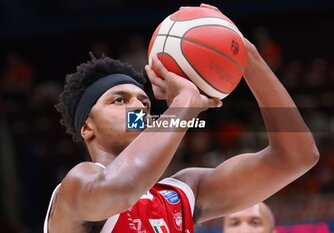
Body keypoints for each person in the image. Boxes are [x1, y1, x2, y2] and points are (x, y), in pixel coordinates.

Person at [43, 4, 319, 233]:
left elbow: (298, 156)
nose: (139, 108)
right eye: (119, 100)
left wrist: (245, 53)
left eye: (144, 101)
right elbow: (122, 188)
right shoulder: (78, 185)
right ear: (88, 127)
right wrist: (185, 101)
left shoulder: (184, 192)